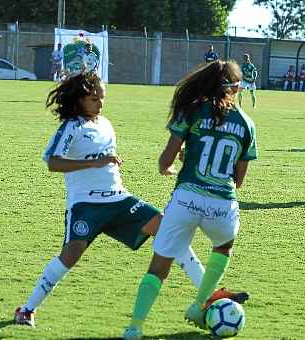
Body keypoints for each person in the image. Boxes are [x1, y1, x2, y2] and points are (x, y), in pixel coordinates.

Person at [13, 72, 248, 328]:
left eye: (102, 98)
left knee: (167, 228)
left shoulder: (105, 123)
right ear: (79, 99)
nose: (100, 104)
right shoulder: (72, 126)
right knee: (71, 255)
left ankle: (208, 295)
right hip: (86, 206)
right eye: (94, 99)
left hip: (119, 200)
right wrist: (96, 162)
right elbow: (53, 162)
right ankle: (27, 309)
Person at [123, 60, 258, 339]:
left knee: (159, 265)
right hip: (222, 205)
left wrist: (176, 164)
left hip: (186, 200)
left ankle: (135, 327)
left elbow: (165, 161)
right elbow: (238, 180)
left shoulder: (192, 111)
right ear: (235, 88)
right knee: (223, 247)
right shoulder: (246, 123)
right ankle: (199, 306)